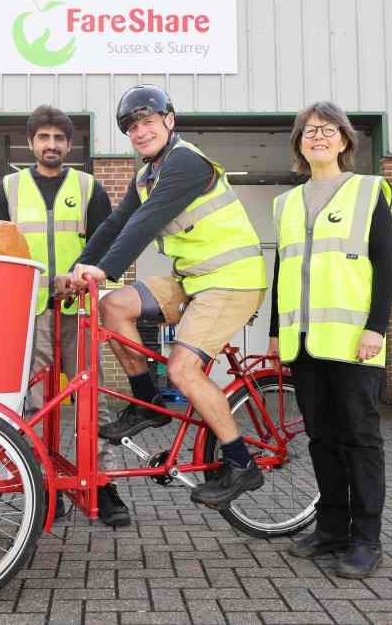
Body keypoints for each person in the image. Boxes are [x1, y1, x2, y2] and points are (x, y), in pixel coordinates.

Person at [67, 85, 268, 509]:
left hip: (231, 280)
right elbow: (116, 224)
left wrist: (105, 269)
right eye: (132, 127)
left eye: (148, 121)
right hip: (194, 280)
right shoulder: (145, 176)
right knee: (113, 305)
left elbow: (146, 221)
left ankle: (240, 463)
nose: (140, 132)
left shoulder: (187, 163)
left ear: (169, 120)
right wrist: (79, 267)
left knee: (183, 370)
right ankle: (147, 402)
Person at [268, 101, 392, 579]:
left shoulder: (368, 192)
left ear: (344, 140)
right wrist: (277, 334)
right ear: (300, 144)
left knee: (361, 440)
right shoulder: (286, 204)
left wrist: (376, 328)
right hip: (304, 343)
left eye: (326, 130)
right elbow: (283, 269)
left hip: (356, 343)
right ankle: (331, 530)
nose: (317, 137)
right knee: (321, 439)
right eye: (308, 131)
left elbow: (384, 265)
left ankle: (366, 539)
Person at [0, 105, 130, 527]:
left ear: (70, 145)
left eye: (59, 139)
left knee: (93, 398)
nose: (51, 145)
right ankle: (40, 483)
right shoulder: (8, 189)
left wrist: (79, 279)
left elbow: (109, 248)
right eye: (43, 138)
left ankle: (101, 483)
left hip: (79, 312)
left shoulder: (89, 189)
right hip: (29, 311)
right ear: (31, 143)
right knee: (30, 400)